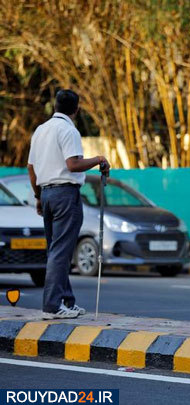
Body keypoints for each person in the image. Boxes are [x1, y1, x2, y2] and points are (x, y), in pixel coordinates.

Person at [27, 89, 110, 319]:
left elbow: (31, 168)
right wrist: (99, 159)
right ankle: (52, 306)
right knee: (61, 252)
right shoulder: (68, 130)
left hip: (46, 193)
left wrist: (38, 196)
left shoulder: (40, 130)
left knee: (56, 250)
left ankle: (67, 301)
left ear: (55, 106)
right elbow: (72, 164)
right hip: (65, 194)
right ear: (77, 109)